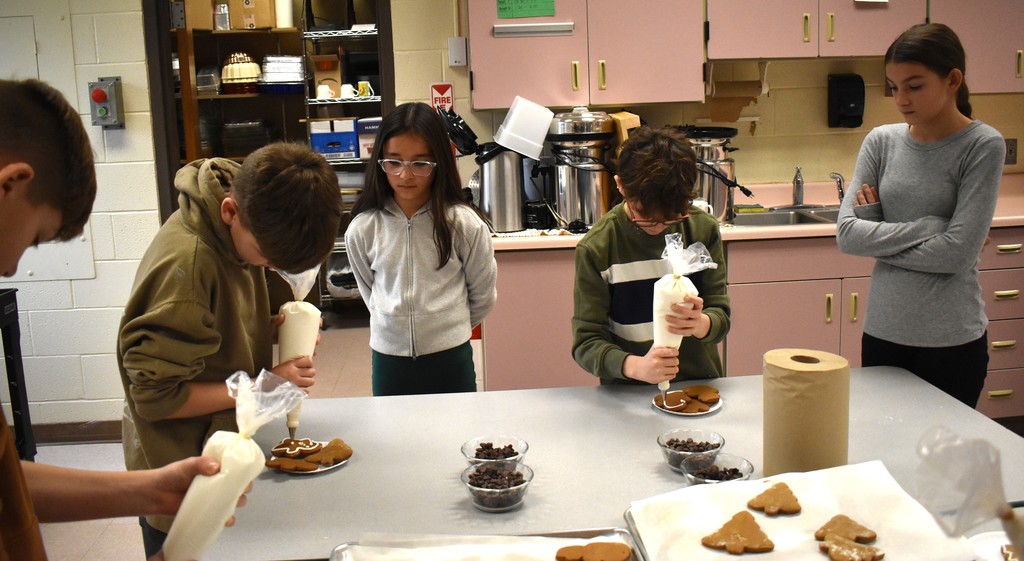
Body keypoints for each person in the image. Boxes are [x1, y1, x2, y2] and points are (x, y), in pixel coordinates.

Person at [0, 78, 248, 561]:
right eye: (32, 239)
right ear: (11, 183)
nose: (10, 268)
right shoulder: (190, 261)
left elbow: (5, 484)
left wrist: (150, 491)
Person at [117, 141, 342, 557]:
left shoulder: (244, 215)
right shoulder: (186, 272)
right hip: (179, 466)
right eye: (264, 259)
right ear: (229, 212)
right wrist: (264, 389)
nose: (265, 269)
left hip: (221, 447)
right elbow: (154, 398)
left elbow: (212, 320)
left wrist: (267, 327)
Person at [835, 23, 1006, 407]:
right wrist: (932, 227)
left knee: (941, 464)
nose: (901, 99)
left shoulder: (982, 145)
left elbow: (958, 254)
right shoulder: (881, 141)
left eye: (914, 86)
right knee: (885, 454)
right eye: (894, 87)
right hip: (882, 334)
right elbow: (847, 235)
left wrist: (878, 230)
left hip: (951, 341)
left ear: (953, 80)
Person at [345, 102, 497, 396]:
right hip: (389, 359)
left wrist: (445, 327)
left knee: (455, 438)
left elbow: (483, 296)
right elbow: (370, 292)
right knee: (394, 439)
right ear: (380, 161)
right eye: (394, 162)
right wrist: (394, 324)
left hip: (450, 357)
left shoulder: (464, 224)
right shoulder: (363, 228)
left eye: (420, 163)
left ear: (439, 162)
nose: (405, 175)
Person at [572, 126, 730, 385]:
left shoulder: (701, 230)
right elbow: (586, 343)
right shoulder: (598, 247)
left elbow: (721, 316)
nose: (658, 227)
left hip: (697, 386)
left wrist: (701, 324)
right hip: (628, 394)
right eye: (645, 216)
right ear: (620, 185)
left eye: (670, 217)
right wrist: (635, 366)